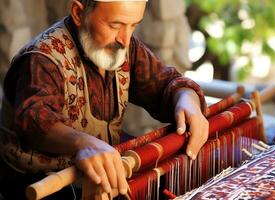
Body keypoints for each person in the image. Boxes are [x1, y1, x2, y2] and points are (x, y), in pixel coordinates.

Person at [0, 0, 209, 199]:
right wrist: (83, 143)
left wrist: (186, 100)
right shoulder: (42, 58)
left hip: (102, 170)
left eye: (133, 25)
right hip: (39, 181)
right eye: (115, 25)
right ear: (79, 14)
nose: (124, 39)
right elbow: (34, 119)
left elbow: (168, 83)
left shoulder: (127, 47)